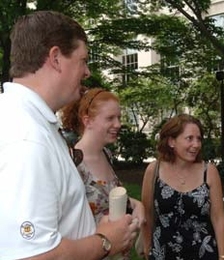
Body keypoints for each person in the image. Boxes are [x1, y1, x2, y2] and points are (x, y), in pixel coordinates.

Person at [0, 11, 137, 259]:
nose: (87, 72)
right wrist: (106, 242)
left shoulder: (30, 122)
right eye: (83, 60)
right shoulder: (27, 138)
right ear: (55, 58)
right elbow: (35, 256)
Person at [60, 87, 146, 259]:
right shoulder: (73, 163)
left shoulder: (106, 154)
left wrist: (138, 206)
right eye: (110, 118)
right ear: (88, 120)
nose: (118, 124)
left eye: (119, 118)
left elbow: (107, 199)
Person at [140, 114, 224, 260]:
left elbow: (219, 218)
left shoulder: (209, 172)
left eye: (199, 139)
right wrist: (147, 248)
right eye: (189, 138)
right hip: (162, 253)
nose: (196, 144)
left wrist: (223, 256)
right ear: (171, 141)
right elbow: (147, 215)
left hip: (203, 254)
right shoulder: (154, 170)